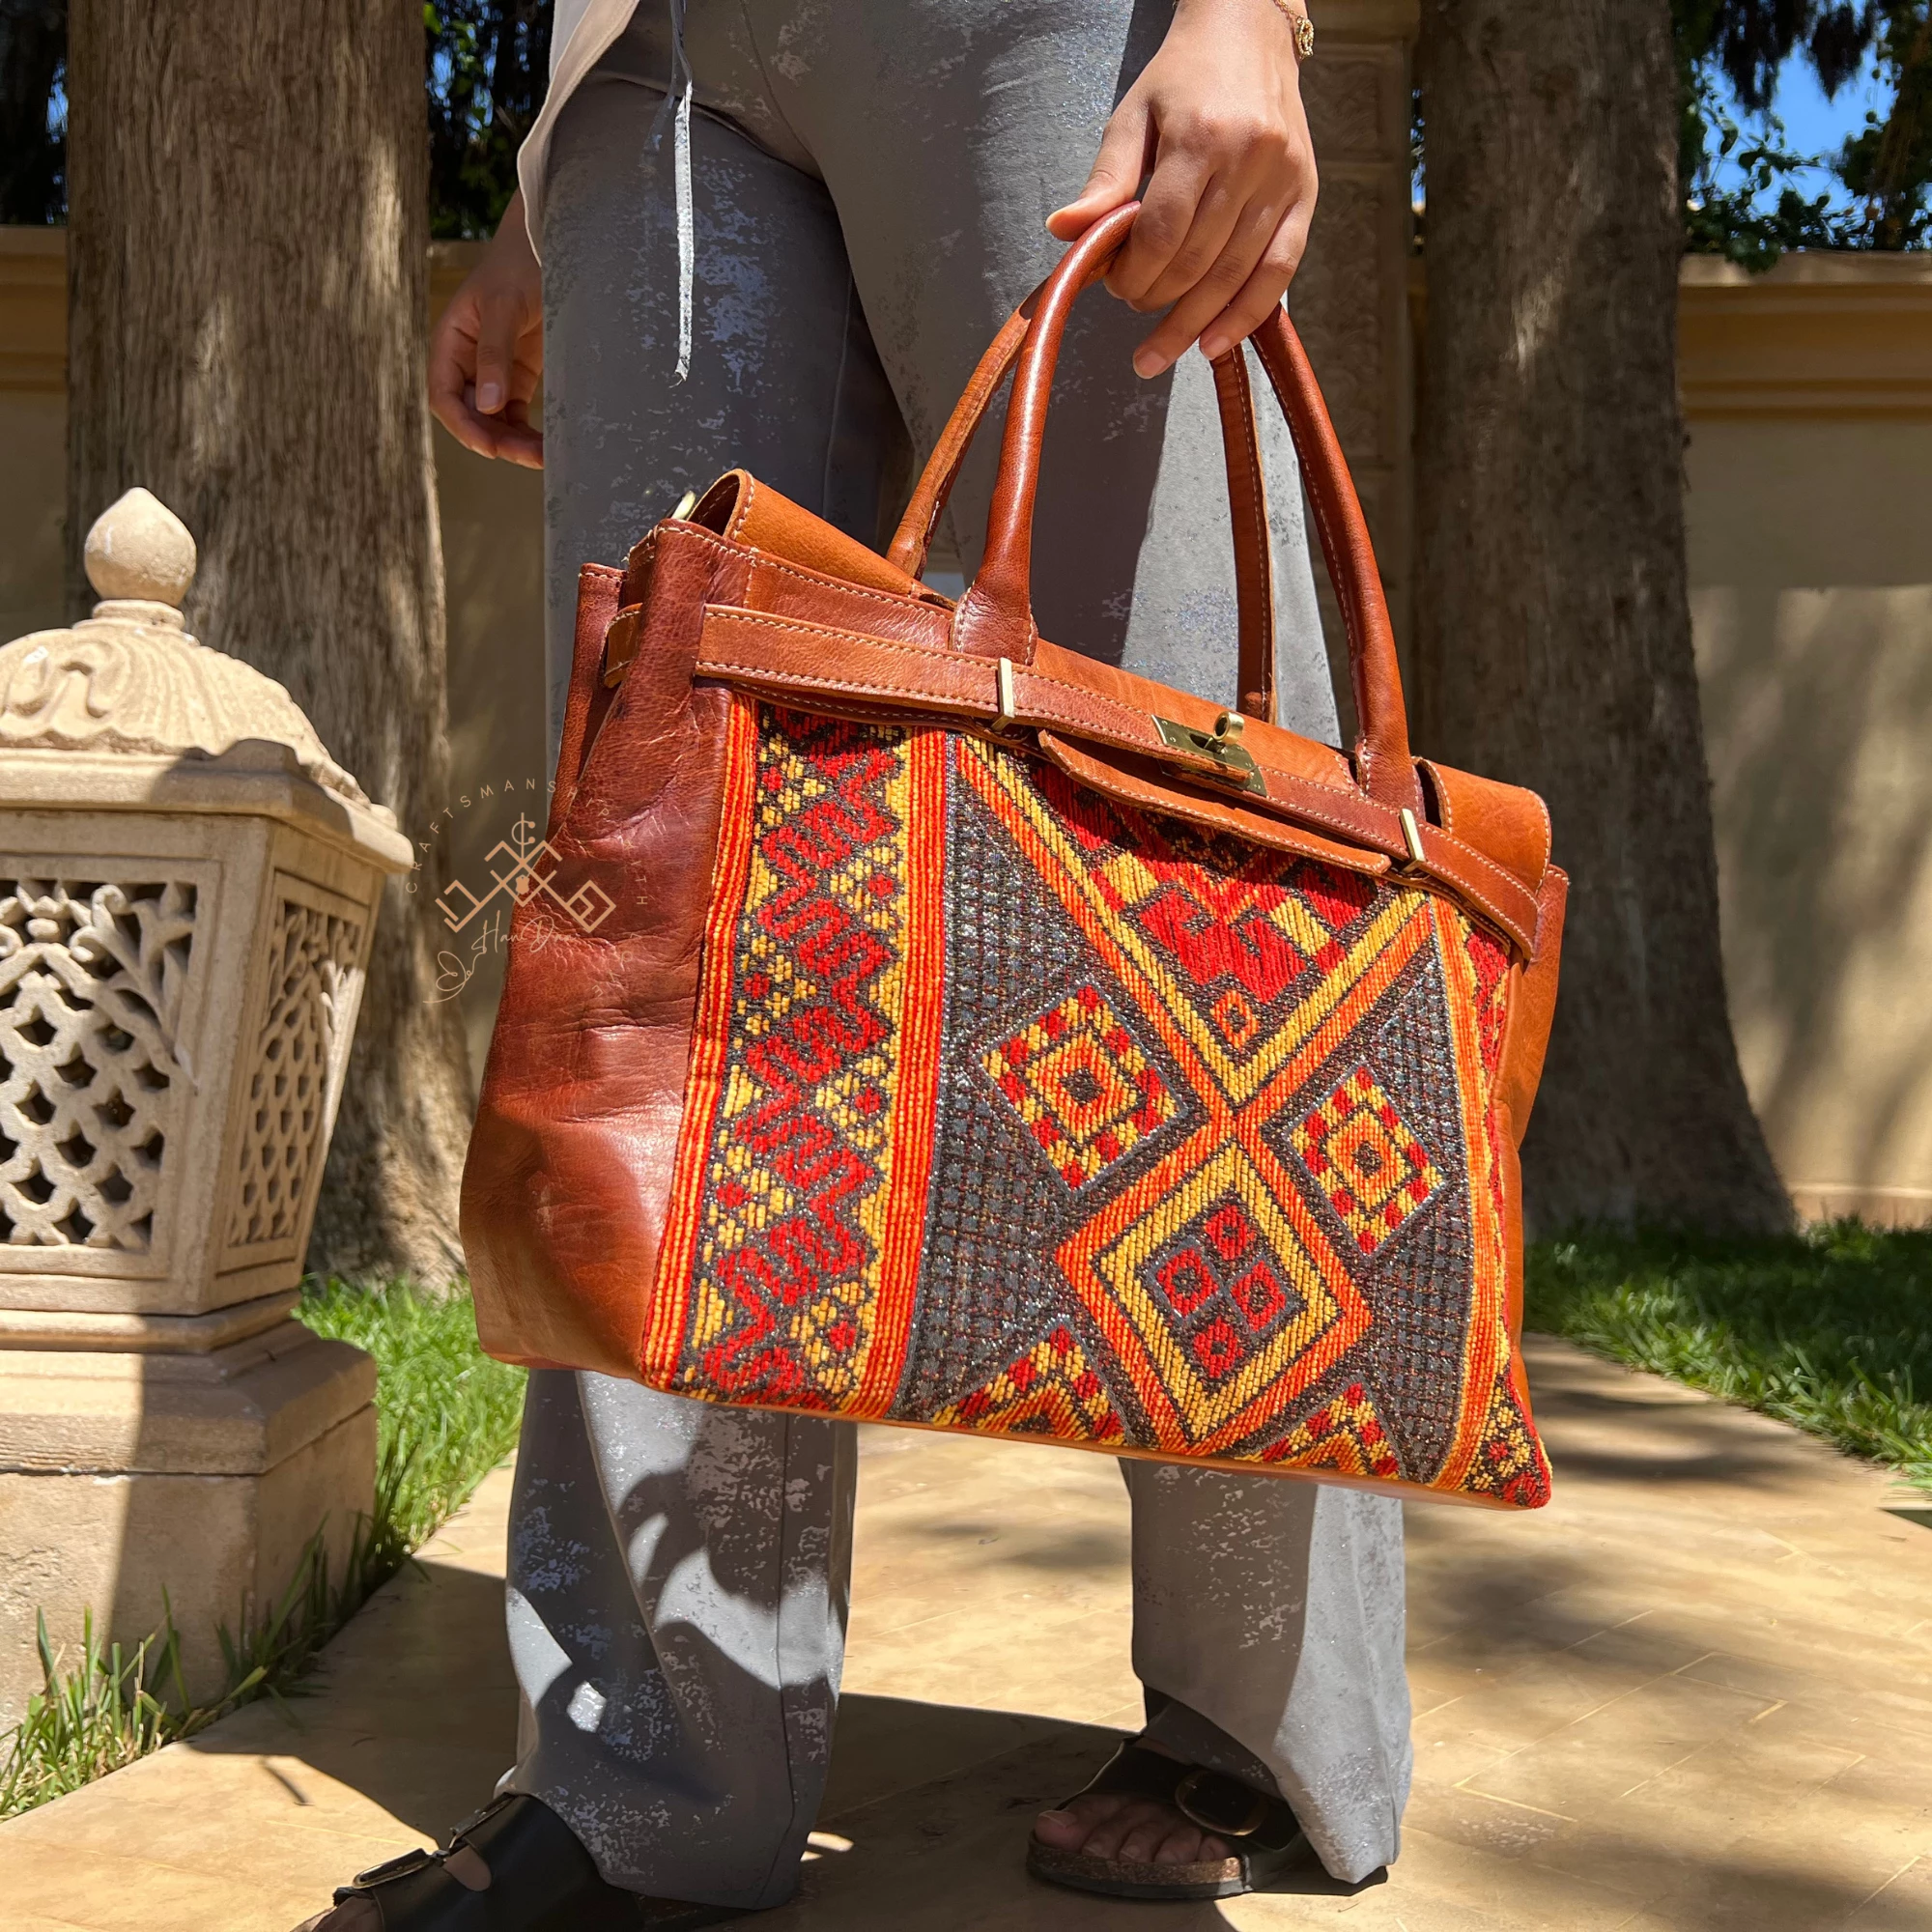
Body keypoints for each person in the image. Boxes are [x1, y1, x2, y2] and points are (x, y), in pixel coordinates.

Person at [299, 3, 1410, 1925]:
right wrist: (531, 195)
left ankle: (1256, 1707)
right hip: (653, 68)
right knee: (665, 863)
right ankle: (652, 1752)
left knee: (1185, 823)